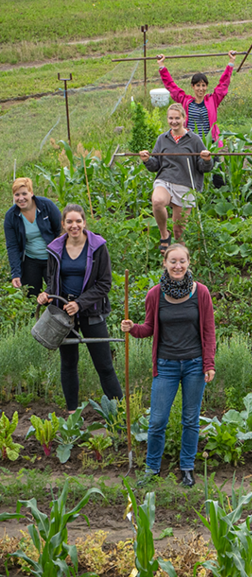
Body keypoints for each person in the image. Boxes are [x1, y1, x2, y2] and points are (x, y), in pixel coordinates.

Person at [122, 243, 216, 488]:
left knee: (190, 420)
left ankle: (187, 468)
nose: (178, 266)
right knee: (157, 421)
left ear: (188, 263)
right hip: (166, 366)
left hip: (195, 365)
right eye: (173, 261)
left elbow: (208, 331)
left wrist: (209, 363)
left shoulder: (201, 292)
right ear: (164, 263)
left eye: (182, 261)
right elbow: (149, 329)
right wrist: (132, 328)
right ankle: (152, 469)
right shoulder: (155, 294)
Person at [37, 204, 123, 413]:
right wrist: (46, 294)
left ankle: (121, 412)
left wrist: (80, 303)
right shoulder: (55, 248)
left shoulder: (97, 247)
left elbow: (104, 283)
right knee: (68, 363)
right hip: (63, 314)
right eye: (69, 222)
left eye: (78, 221)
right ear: (63, 224)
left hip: (91, 311)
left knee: (104, 365)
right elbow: (52, 279)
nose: (74, 226)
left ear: (84, 223)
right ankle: (72, 414)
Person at [139, 103, 213, 253]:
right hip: (165, 180)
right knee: (158, 201)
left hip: (185, 185)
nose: (174, 121)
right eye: (171, 118)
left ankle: (183, 267)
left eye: (177, 118)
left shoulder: (194, 140)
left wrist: (206, 159)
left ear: (184, 118)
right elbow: (155, 166)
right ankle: (164, 235)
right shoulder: (162, 139)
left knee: (179, 232)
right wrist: (147, 160)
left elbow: (204, 168)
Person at [156, 51, 236, 144]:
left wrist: (231, 62)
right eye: (198, 85)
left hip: (210, 144)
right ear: (193, 86)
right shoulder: (186, 101)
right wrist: (161, 65)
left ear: (206, 86)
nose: (201, 89)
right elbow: (171, 86)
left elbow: (223, 85)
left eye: (203, 85)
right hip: (190, 144)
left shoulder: (212, 100)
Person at [4, 177, 61, 297]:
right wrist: (16, 273)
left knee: (56, 293)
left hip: (51, 258)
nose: (21, 198)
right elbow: (12, 246)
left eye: (24, 193)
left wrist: (61, 256)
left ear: (31, 193)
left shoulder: (46, 206)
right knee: (32, 295)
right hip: (30, 260)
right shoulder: (11, 216)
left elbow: (60, 231)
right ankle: (35, 316)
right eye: (17, 194)